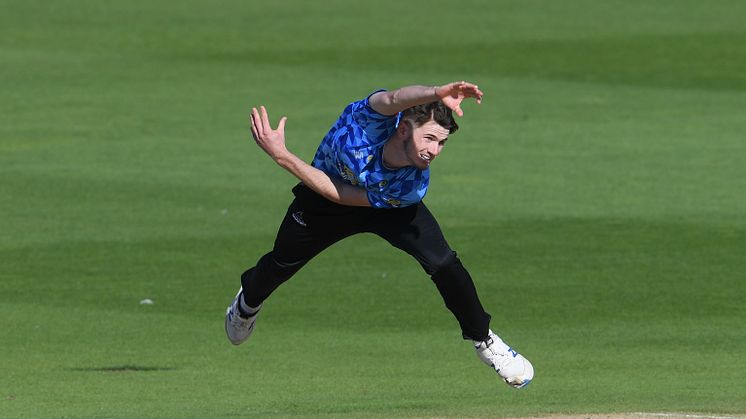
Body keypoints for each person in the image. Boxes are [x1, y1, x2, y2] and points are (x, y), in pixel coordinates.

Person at [225, 81, 534, 388]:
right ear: (403, 129)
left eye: (441, 143)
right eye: (429, 138)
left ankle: (484, 340)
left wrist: (282, 156)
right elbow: (396, 98)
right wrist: (438, 92)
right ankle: (246, 305)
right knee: (281, 264)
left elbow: (349, 197)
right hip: (323, 195)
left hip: (379, 203)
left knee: (443, 263)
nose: (434, 151)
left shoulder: (413, 184)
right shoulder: (370, 119)